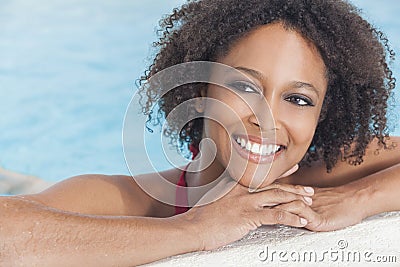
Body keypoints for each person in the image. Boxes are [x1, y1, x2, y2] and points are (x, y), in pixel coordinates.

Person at [1, 0, 399, 266]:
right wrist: (193, 229)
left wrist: (357, 198)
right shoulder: (139, 199)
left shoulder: (321, 175)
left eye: (297, 99)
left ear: (322, 117)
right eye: (245, 87)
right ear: (199, 91)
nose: (268, 119)